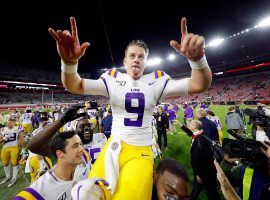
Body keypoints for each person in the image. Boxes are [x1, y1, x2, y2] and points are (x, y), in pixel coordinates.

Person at [48, 16, 212, 199]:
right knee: (87, 194)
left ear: (146, 61)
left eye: (141, 57)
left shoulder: (157, 80)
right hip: (114, 147)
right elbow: (74, 85)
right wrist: (69, 64)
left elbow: (199, 84)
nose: (136, 60)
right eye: (132, 56)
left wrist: (198, 61)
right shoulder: (112, 78)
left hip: (141, 152)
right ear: (125, 61)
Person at [15, 131, 91, 200]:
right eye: (75, 146)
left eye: (80, 144)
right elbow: (33, 146)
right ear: (60, 154)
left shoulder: (84, 160)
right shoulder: (40, 189)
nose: (81, 149)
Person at [188, 119, 220, 200]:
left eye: (190, 124)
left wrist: (199, 174)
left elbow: (206, 160)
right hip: (201, 172)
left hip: (206, 173)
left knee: (211, 192)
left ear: (195, 127)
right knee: (198, 188)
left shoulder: (201, 139)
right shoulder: (198, 135)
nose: (189, 124)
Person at [0, 117, 25, 188]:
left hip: (14, 147)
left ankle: (14, 178)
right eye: (8, 121)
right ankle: (8, 176)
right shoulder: (2, 129)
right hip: (5, 147)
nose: (9, 123)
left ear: (14, 122)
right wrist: (3, 139)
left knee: (15, 163)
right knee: (5, 163)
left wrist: (23, 148)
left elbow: (22, 139)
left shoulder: (18, 128)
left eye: (11, 121)